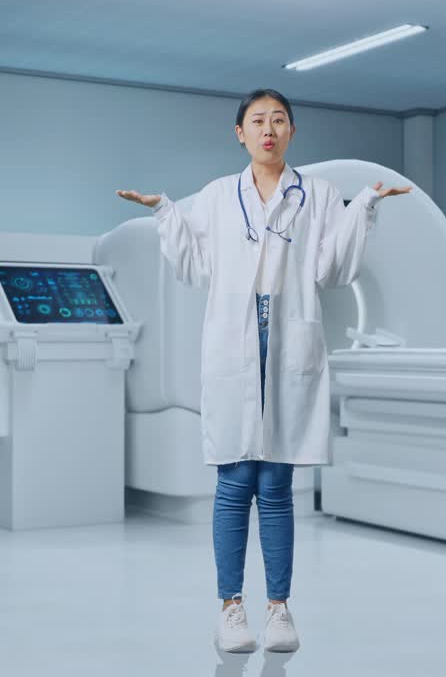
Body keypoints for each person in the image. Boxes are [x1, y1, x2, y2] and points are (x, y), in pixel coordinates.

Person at [116, 88, 408, 653]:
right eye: (258, 121)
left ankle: (278, 609)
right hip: (234, 344)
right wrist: (165, 213)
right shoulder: (219, 196)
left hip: (290, 340)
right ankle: (231, 607)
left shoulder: (317, 195)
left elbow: (330, 266)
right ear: (240, 133)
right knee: (234, 481)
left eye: (278, 120)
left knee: (276, 483)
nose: (268, 129)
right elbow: (198, 266)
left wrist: (366, 204)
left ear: (292, 131)